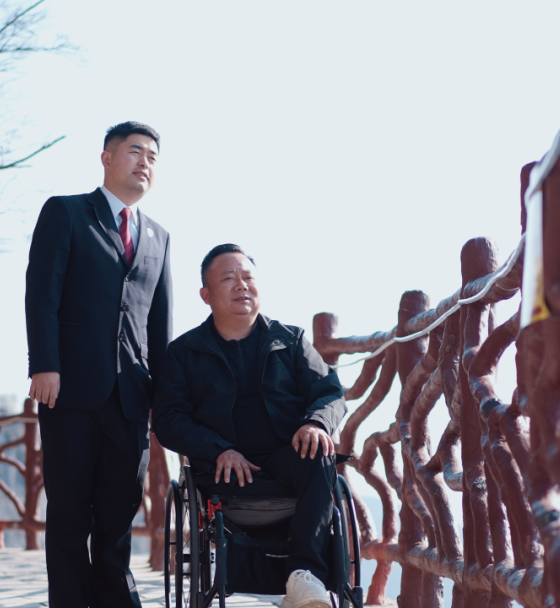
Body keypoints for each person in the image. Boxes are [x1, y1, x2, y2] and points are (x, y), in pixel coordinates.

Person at [25, 121, 172, 608]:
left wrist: (164, 400)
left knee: (117, 517)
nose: (144, 162)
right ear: (107, 158)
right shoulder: (66, 212)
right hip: (68, 389)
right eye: (135, 151)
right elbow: (42, 294)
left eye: (152, 156)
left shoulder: (159, 237)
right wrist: (44, 364)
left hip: (131, 398)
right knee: (69, 515)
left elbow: (159, 327)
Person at [152, 244, 346, 608]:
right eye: (229, 278)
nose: (242, 285)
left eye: (248, 277)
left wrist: (316, 423)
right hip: (222, 471)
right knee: (231, 461)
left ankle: (304, 577)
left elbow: (329, 392)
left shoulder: (292, 340)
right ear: (206, 295)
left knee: (319, 455)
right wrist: (217, 449)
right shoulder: (184, 352)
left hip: (286, 457)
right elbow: (168, 418)